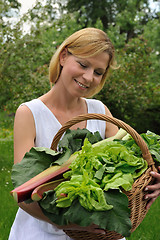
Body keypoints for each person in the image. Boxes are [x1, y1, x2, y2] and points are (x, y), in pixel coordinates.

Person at [8, 27, 160, 240]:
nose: (88, 77)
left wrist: (150, 180)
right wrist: (69, 223)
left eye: (98, 72)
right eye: (83, 64)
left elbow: (128, 169)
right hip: (44, 231)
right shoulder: (30, 113)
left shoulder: (99, 111)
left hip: (98, 232)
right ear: (63, 56)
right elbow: (22, 195)